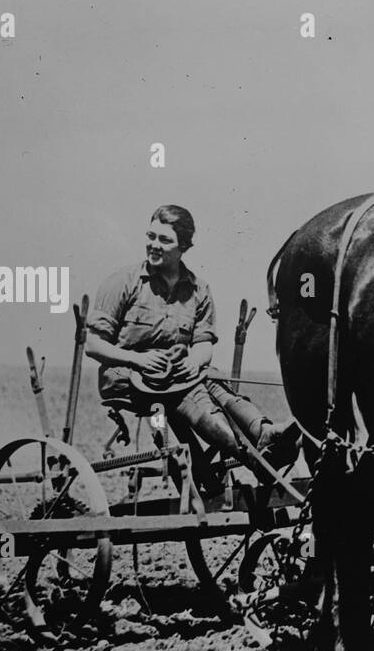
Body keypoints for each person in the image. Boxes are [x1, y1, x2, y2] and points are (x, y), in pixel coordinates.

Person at [84, 205, 302, 497]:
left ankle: (263, 432)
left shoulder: (199, 290)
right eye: (151, 236)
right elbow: (94, 344)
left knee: (211, 378)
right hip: (127, 378)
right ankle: (255, 459)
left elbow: (202, 345)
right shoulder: (122, 283)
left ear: (184, 246)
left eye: (164, 240)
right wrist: (138, 359)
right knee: (192, 392)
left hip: (174, 376)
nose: (154, 245)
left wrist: (195, 360)